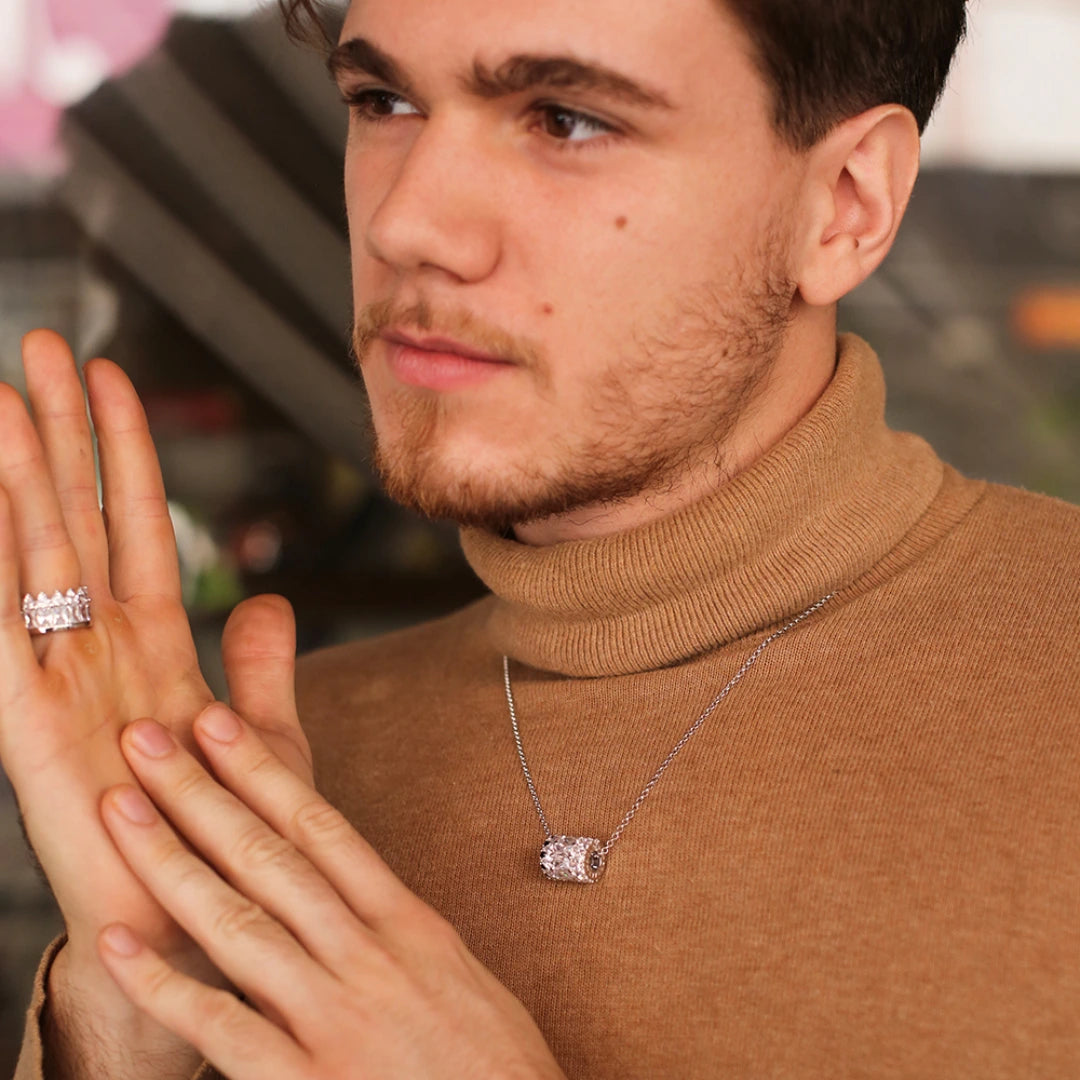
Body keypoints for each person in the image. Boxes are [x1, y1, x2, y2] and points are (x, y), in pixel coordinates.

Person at [4, 0, 1078, 1076]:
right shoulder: (276, 763)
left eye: (566, 120)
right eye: (382, 101)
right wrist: (132, 1012)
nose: (405, 226)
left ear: (846, 204)